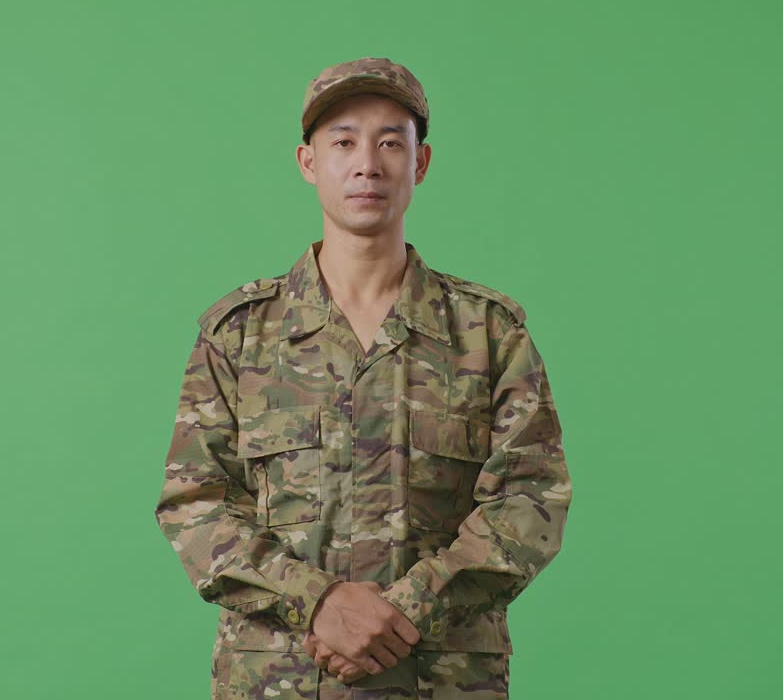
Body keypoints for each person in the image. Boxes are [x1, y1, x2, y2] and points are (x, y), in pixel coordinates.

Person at [155, 56, 573, 699]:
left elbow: (529, 499)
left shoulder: (488, 333)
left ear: (420, 163)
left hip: (442, 679)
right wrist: (317, 603)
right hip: (279, 680)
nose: (366, 164)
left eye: (389, 143)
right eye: (343, 142)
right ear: (308, 162)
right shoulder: (238, 336)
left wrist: (406, 609)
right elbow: (197, 503)